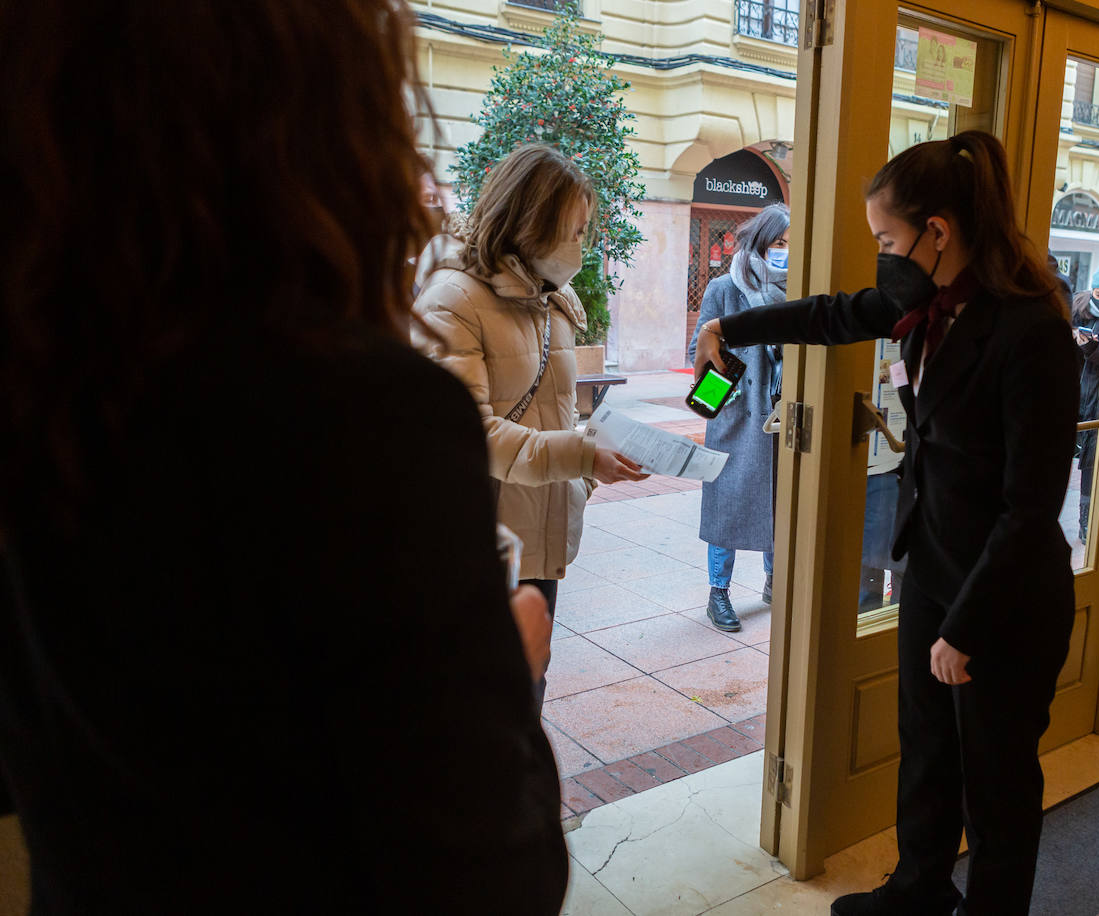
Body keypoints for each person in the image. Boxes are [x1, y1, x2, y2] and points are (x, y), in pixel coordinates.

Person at [0, 2, 568, 913]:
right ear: (319, 126)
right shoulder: (362, 413)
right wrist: (505, 677)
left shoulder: (42, 378)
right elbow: (491, 873)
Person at [694, 131, 1079, 916]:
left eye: (888, 240)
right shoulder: (923, 299)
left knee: (997, 784)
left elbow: (1031, 507)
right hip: (934, 563)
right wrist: (730, 331)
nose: (883, 258)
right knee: (928, 749)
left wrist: (964, 628)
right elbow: (837, 315)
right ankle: (917, 889)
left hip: (1002, 596)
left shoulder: (1029, 328)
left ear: (938, 231)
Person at [412, 143, 648, 701]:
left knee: (526, 693)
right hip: (477, 543)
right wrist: (581, 459)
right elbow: (468, 435)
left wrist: (583, 479)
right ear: (529, 220)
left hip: (539, 540)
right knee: (483, 709)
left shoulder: (554, 301)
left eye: (586, 230)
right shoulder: (453, 299)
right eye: (572, 229)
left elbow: (563, 413)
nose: (580, 246)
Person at [687, 204, 790, 630]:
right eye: (779, 243)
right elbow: (700, 354)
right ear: (760, 242)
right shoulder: (725, 287)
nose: (785, 252)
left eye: (791, 244)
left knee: (780, 502)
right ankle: (719, 593)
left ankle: (773, 581)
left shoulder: (800, 289)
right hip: (738, 415)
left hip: (784, 415)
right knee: (726, 505)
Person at [1072, 259, 1099, 544]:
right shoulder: (1080, 310)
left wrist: (1092, 349)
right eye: (1098, 295)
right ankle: (1081, 524)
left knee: (1095, 465)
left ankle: (1090, 524)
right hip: (1080, 396)